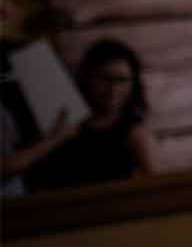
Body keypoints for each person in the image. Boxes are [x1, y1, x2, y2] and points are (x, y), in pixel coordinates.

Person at [4, 38, 159, 190]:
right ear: (87, 78)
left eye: (122, 80)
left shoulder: (134, 132)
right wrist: (55, 138)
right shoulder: (58, 116)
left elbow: (157, 186)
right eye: (105, 79)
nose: (113, 90)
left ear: (133, 84)